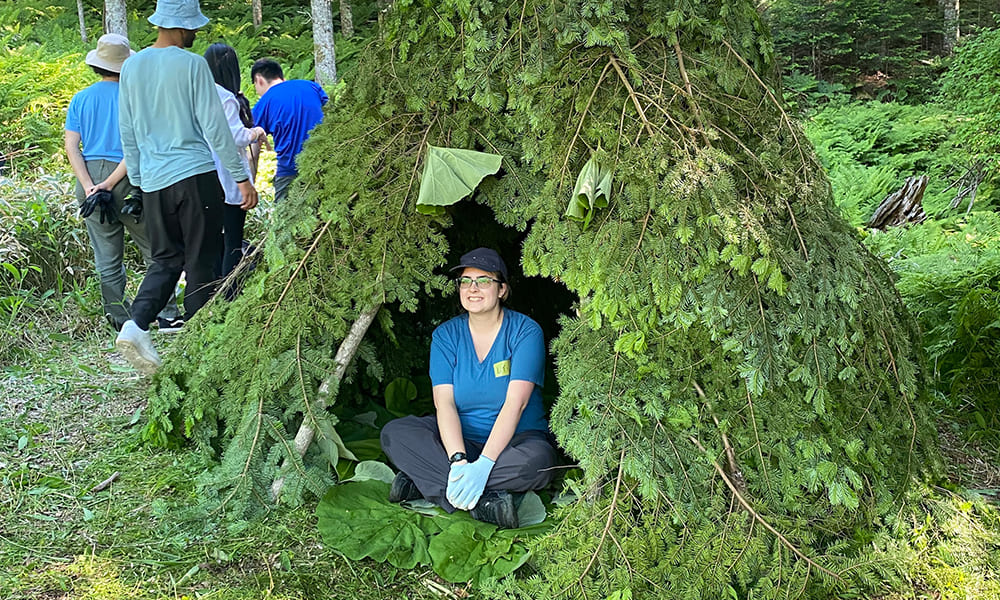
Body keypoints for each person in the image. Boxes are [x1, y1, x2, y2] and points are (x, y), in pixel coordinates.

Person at [114, 0, 258, 375]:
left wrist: (141, 183)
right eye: (193, 27)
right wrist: (241, 179)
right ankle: (200, 351)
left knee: (165, 259)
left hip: (154, 182)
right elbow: (215, 128)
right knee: (202, 262)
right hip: (195, 176)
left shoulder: (131, 66)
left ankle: (136, 324)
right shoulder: (193, 65)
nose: (196, 34)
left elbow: (127, 129)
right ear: (181, 27)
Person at [380, 248, 557, 529]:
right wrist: (460, 461)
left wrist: (485, 464)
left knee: (539, 464)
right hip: (460, 440)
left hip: (516, 442)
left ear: (502, 290)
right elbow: (445, 404)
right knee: (395, 435)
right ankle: (484, 502)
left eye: (484, 280)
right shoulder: (446, 335)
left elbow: (516, 404)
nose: (472, 289)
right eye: (465, 281)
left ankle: (425, 483)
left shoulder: (525, 331)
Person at [64, 33, 183, 333]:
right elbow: (138, 146)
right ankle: (167, 314)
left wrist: (91, 185)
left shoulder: (81, 98)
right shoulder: (136, 97)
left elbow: (71, 147)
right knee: (155, 247)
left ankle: (119, 318)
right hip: (128, 178)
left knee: (107, 255)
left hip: (89, 177)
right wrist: (112, 182)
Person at [204, 43, 267, 279]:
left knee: (211, 238)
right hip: (229, 177)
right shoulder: (226, 98)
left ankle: (212, 289)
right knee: (232, 238)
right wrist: (257, 132)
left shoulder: (197, 94)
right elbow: (236, 137)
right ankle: (230, 291)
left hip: (201, 174)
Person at [250, 58, 328, 202]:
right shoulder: (311, 86)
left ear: (258, 80)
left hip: (290, 170)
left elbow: (253, 154)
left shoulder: (264, 104)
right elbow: (331, 114)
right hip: (325, 164)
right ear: (281, 76)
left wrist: (249, 187)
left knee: (284, 218)